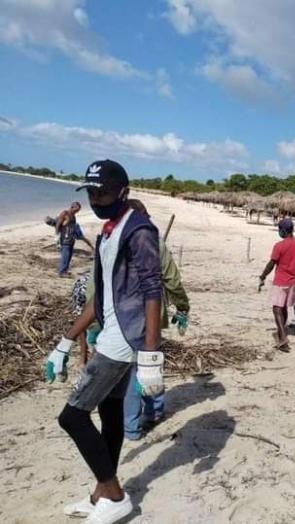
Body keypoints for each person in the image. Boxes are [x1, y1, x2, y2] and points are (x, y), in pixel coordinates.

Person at [44, 159, 162, 523]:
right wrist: (65, 342)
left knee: (73, 416)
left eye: (103, 192)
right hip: (111, 330)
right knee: (110, 415)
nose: (96, 199)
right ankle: (101, 495)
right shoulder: (109, 232)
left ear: (123, 192)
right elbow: (101, 298)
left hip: (125, 339)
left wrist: (150, 357)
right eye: (92, 193)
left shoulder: (139, 231)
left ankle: (115, 495)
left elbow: (153, 292)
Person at [122, 198, 190, 440]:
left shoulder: (111, 237)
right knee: (146, 366)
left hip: (117, 317)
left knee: (128, 368)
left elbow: (95, 284)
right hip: (146, 315)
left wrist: (95, 324)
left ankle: (135, 422)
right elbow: (172, 279)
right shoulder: (154, 241)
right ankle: (146, 417)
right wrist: (183, 307)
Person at [259, 217, 295, 352]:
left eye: (279, 230)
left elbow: (271, 264)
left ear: (283, 230)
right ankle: (282, 331)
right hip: (294, 282)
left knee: (276, 308)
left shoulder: (279, 246)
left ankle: (282, 339)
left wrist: (263, 276)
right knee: (284, 309)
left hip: (280, 282)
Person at [53, 201, 94, 277]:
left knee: (69, 256)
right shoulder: (65, 213)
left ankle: (65, 270)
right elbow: (58, 224)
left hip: (71, 239)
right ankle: (62, 272)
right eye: (76, 210)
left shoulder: (73, 216)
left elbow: (73, 227)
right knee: (65, 255)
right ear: (72, 207)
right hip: (65, 238)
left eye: (78, 210)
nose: (77, 212)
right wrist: (56, 235)